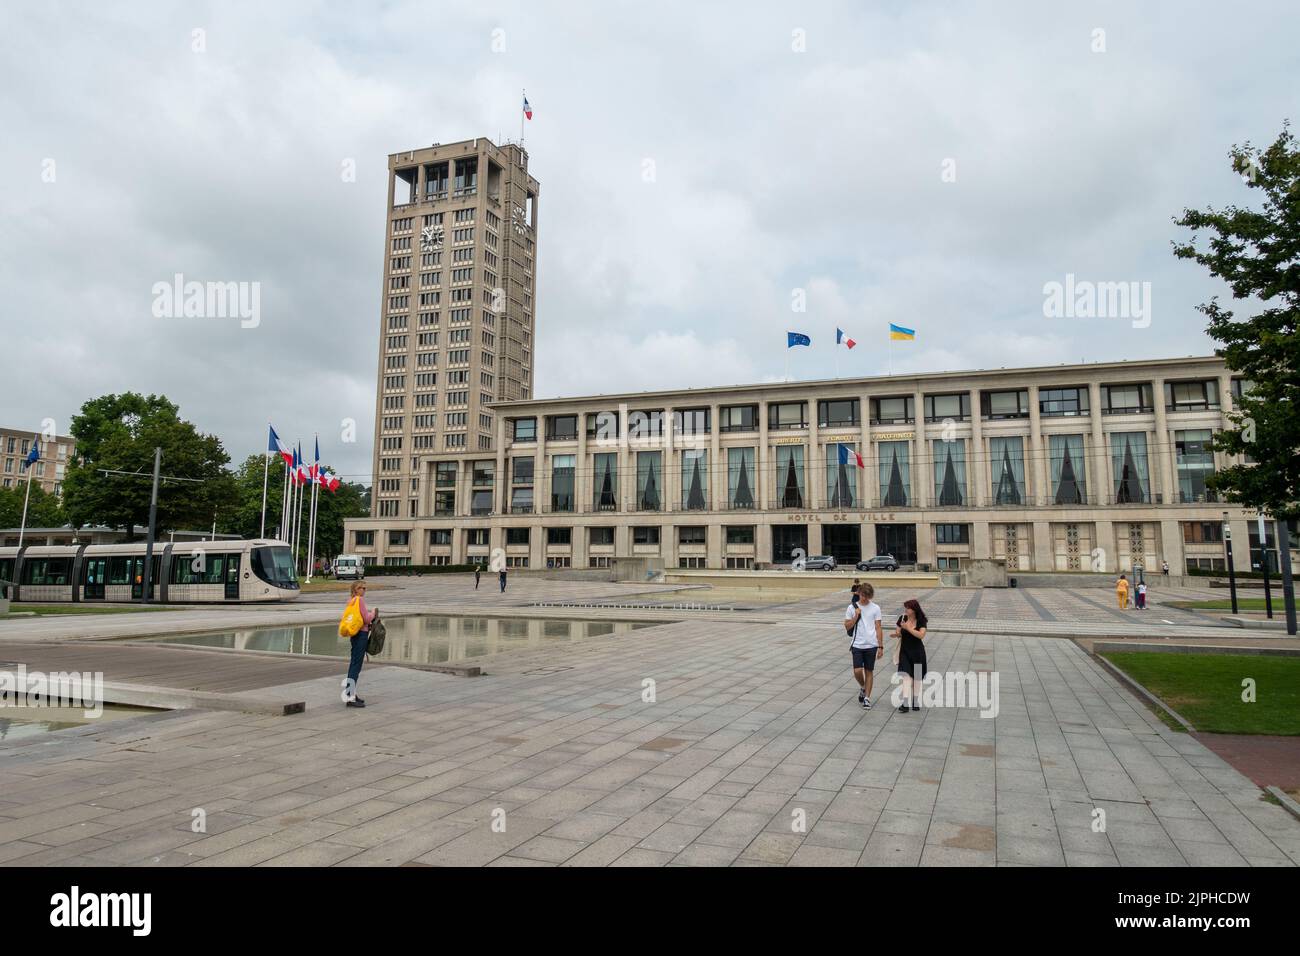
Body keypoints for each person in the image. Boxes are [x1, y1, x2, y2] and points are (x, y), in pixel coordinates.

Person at [845, 582, 884, 709]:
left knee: (869, 671)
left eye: (867, 596)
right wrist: (856, 616)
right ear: (859, 593)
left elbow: (878, 627)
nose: (864, 598)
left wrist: (880, 646)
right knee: (857, 671)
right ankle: (863, 686)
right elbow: (847, 626)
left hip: (871, 645)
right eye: (862, 595)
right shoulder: (851, 608)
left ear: (870, 596)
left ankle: (867, 698)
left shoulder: (875, 608)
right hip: (857, 644)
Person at [890, 599, 928, 713]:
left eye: (908, 608)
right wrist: (896, 634)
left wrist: (908, 628)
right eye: (905, 607)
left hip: (917, 653)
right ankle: (905, 703)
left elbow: (921, 635)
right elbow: (899, 632)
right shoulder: (902, 618)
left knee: (916, 677)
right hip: (905, 652)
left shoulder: (921, 620)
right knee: (906, 676)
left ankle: (915, 701)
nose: (906, 610)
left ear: (914, 609)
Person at [343, 582, 377, 708]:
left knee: (353, 664)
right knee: (356, 666)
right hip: (361, 634)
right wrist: (373, 613)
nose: (363, 590)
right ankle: (350, 697)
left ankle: (351, 692)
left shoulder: (351, 601)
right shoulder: (359, 600)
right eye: (360, 588)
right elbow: (367, 619)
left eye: (364, 588)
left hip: (354, 634)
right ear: (355, 590)